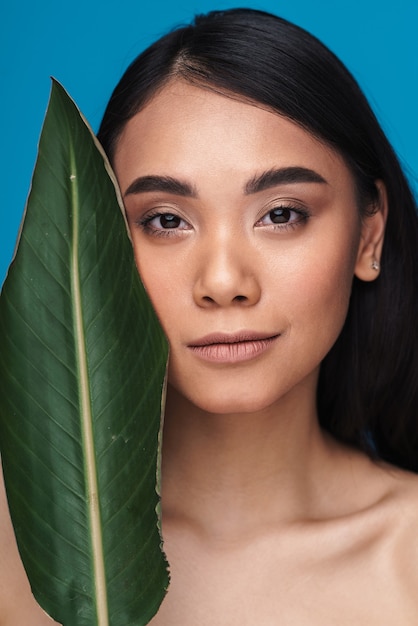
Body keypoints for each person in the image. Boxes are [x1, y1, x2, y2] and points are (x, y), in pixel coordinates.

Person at [1, 7, 418, 624]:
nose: (223, 283)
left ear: (368, 235)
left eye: (281, 213)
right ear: (99, 245)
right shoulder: (15, 546)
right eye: (166, 220)